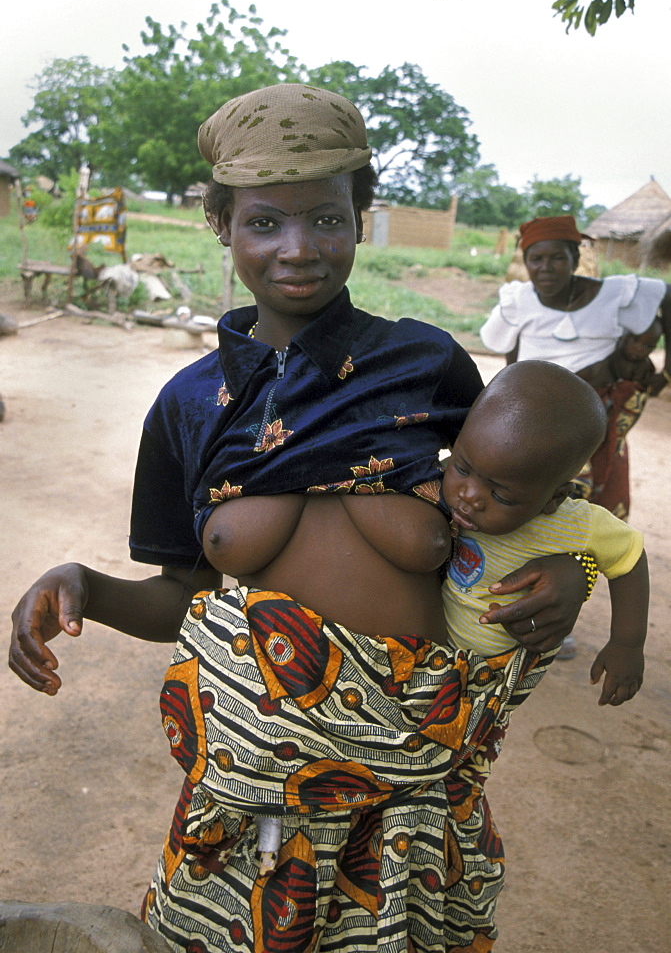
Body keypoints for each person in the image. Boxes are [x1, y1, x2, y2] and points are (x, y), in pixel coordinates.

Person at [9, 86, 592, 953]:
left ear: (360, 219)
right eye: (264, 224)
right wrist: (84, 585)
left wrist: (571, 579)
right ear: (222, 227)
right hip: (253, 792)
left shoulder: (424, 365)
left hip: (410, 799)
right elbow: (184, 596)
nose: (297, 250)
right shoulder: (188, 406)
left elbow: (519, 506)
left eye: (326, 219)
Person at [442, 360, 648, 708]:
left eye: (501, 495)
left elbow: (629, 558)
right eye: (462, 467)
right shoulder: (435, 485)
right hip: (429, 655)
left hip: (499, 676)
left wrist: (627, 644)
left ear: (554, 498)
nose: (469, 496)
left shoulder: (576, 524)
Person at [480, 214, 671, 522]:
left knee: (594, 498)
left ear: (575, 256)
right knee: (533, 497)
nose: (546, 268)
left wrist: (668, 372)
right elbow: (509, 357)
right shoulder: (519, 300)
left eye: (557, 257)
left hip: (598, 414)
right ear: (526, 261)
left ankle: (584, 561)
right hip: (538, 414)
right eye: (536, 259)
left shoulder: (613, 294)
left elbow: (667, 295)